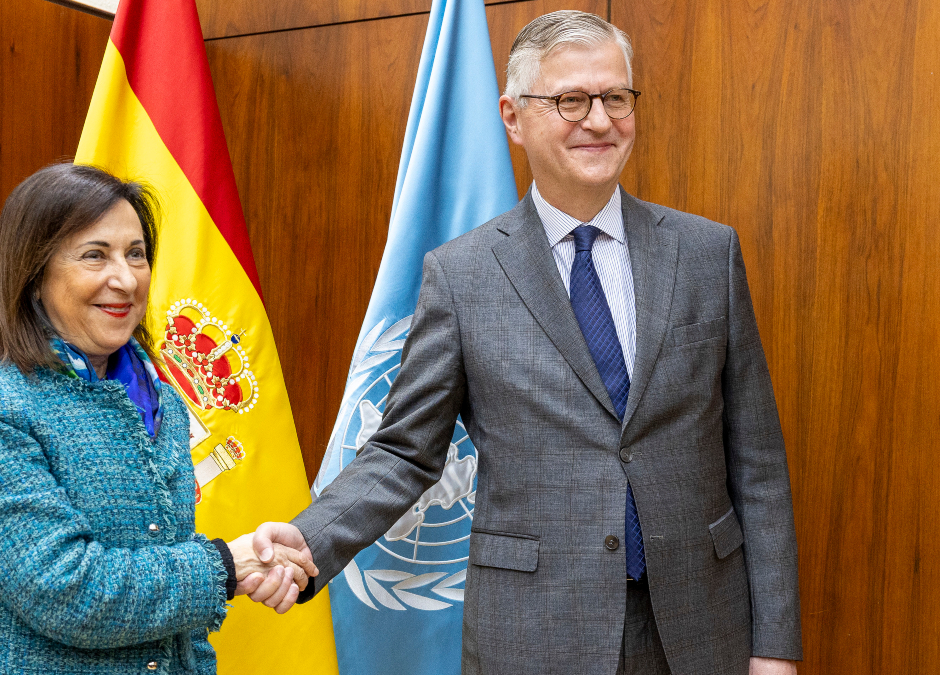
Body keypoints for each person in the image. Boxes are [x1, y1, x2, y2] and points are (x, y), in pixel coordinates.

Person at [251, 11, 801, 675]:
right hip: (533, 630)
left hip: (697, 627)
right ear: (513, 117)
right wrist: (309, 538)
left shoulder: (709, 253)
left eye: (615, 97)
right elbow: (403, 450)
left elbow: (757, 462)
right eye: (571, 99)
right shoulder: (462, 274)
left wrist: (773, 645)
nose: (599, 120)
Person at [0, 163, 307, 674]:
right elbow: (64, 590)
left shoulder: (162, 402)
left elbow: (161, 579)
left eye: (136, 255)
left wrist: (255, 559)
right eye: (94, 256)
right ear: (33, 276)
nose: (125, 279)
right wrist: (224, 566)